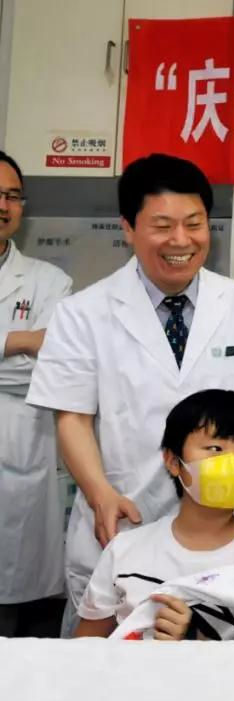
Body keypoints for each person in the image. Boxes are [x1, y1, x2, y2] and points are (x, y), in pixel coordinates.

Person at [26, 154, 234, 627]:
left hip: (221, 523)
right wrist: (100, 494)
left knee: (220, 646)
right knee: (109, 650)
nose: (181, 240)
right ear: (128, 228)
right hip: (125, 516)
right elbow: (71, 417)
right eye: (163, 226)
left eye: (195, 224)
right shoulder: (83, 312)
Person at [75, 390, 234, 640]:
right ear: (172, 461)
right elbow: (84, 647)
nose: (232, 465)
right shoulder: (125, 551)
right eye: (215, 448)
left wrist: (194, 642)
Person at [0, 150, 72, 637]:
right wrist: (21, 341)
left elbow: (53, 365)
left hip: (17, 460)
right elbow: (31, 355)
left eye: (13, 196)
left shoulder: (50, 281)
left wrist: (29, 349)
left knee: (9, 611)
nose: (3, 205)